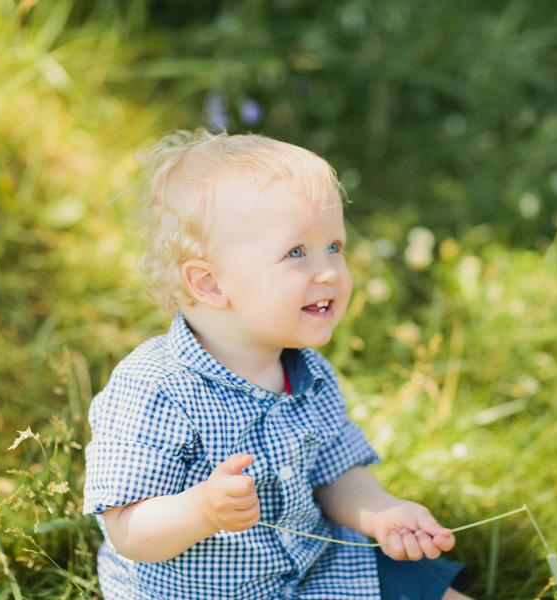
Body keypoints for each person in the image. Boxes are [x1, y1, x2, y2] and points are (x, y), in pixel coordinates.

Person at [83, 130, 472, 600]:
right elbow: (128, 529)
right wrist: (201, 511)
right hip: (207, 593)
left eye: (335, 246)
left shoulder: (310, 376)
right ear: (208, 284)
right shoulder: (155, 388)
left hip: (317, 572)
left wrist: (379, 511)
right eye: (296, 253)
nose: (329, 271)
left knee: (428, 590)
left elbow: (337, 475)